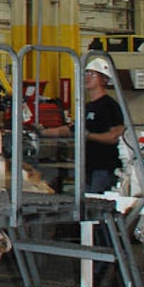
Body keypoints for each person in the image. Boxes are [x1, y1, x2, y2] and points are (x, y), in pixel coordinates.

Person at [40, 57, 124, 194]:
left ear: (104, 79)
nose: (87, 77)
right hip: (87, 166)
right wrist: (42, 132)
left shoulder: (109, 106)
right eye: (86, 73)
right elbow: (69, 130)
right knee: (85, 203)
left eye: (92, 74)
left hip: (103, 168)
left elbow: (115, 136)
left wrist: (89, 136)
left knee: (97, 202)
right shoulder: (87, 107)